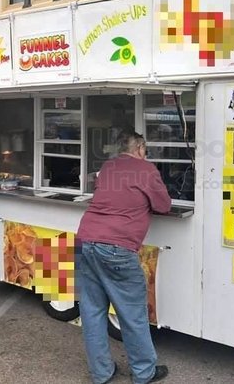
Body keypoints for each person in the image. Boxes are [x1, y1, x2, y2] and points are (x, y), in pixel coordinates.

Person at [77, 131, 172, 384]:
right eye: (145, 149)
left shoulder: (107, 167)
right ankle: (143, 372)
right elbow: (163, 205)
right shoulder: (146, 169)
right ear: (140, 148)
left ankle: (101, 373)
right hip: (117, 247)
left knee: (92, 311)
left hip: (86, 240)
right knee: (131, 314)